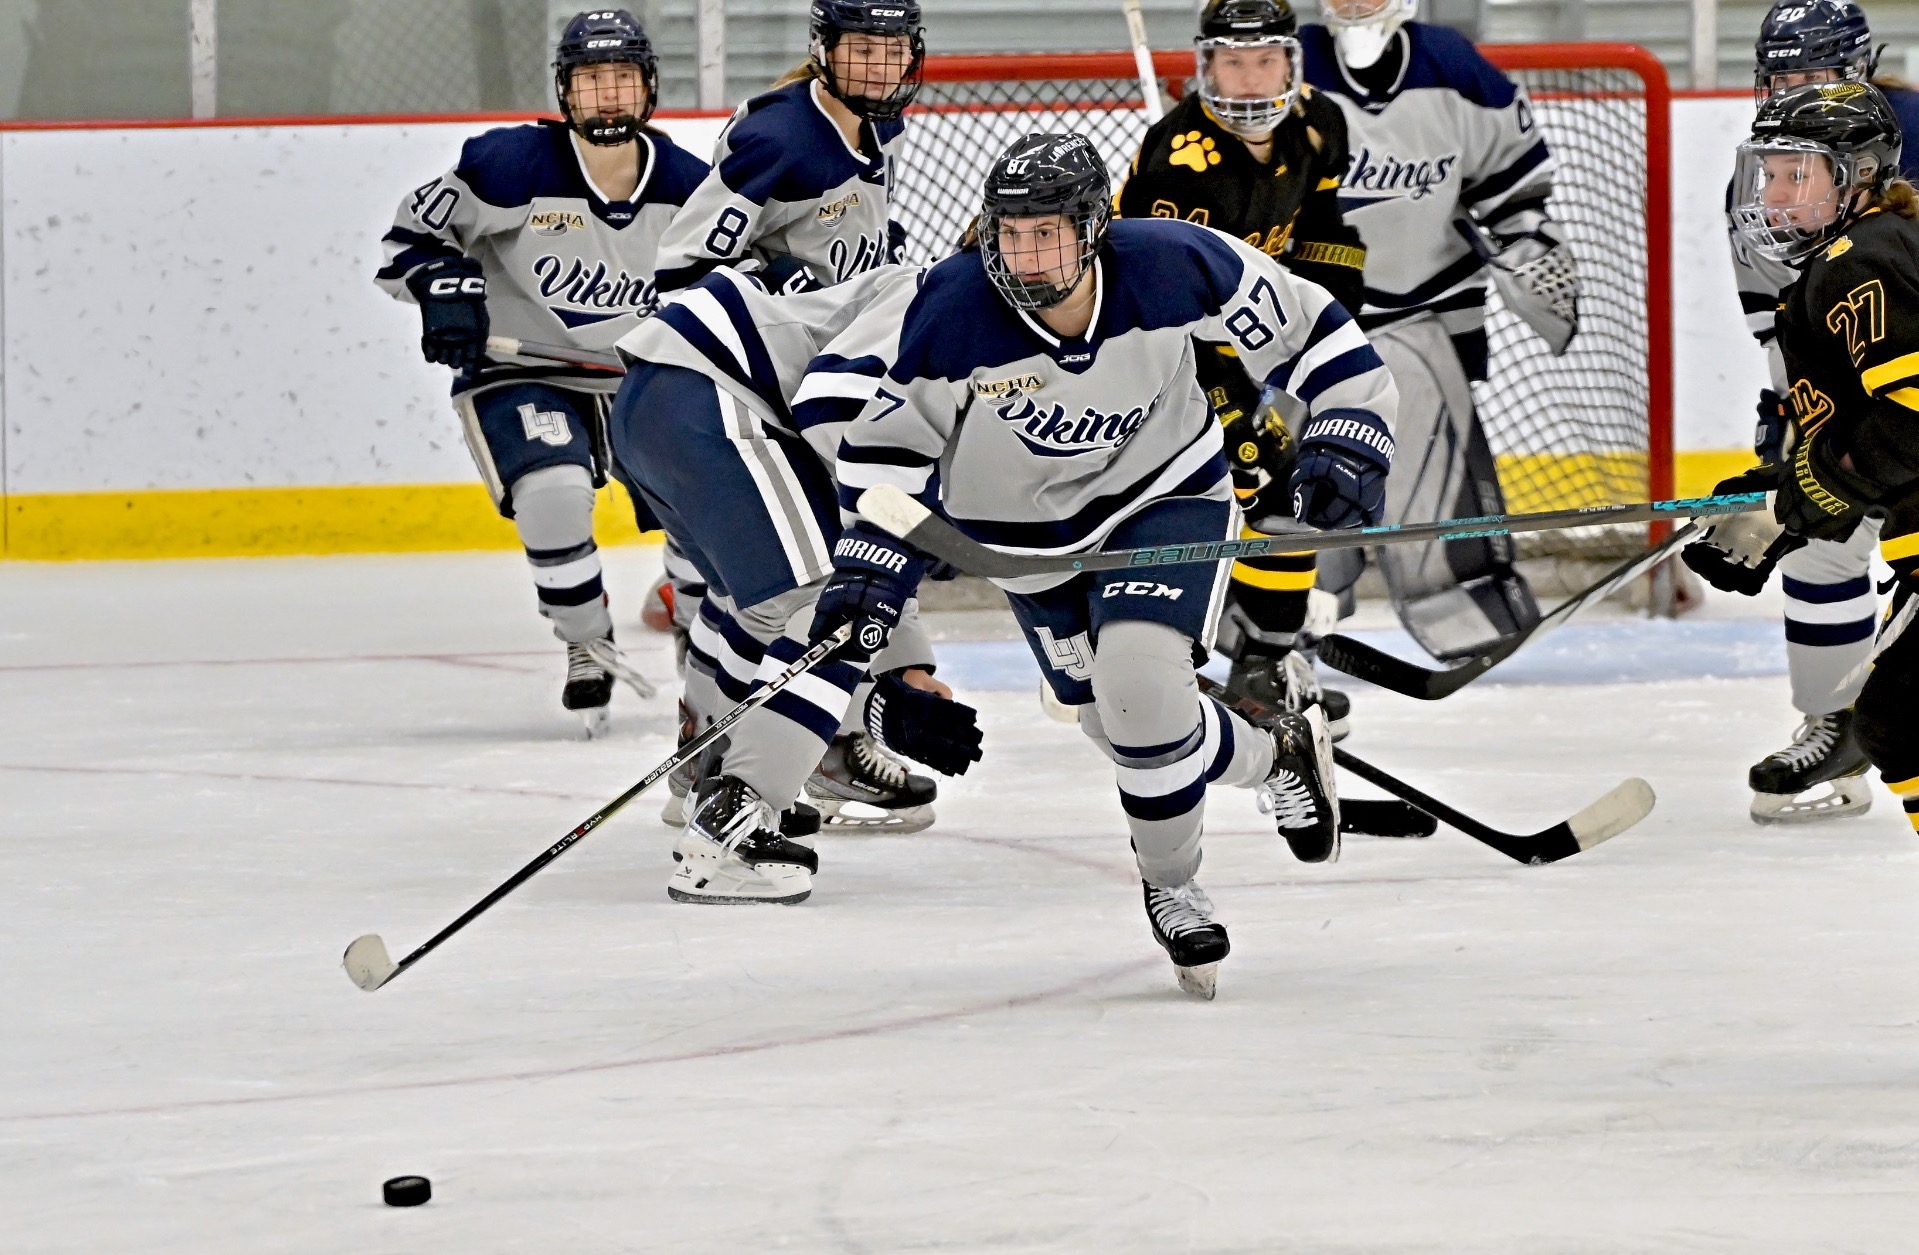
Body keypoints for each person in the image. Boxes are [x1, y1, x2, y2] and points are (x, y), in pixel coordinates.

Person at [813, 132, 1398, 997]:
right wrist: (873, 553)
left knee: (1141, 682)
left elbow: (1317, 334)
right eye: (1012, 234)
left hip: (1163, 497)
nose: (1028, 254)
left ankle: (1171, 883)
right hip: (1025, 544)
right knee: (1118, 726)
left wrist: (1349, 427)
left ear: (1093, 226)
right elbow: (888, 447)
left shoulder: (1174, 264)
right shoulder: (950, 310)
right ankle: (1277, 756)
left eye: (1048, 232)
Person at [607, 262, 984, 903]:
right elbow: (831, 409)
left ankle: (707, 774)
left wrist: (909, 666)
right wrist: (894, 679)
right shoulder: (956, 300)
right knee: (822, 606)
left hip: (662, 400)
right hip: (712, 402)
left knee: (750, 605)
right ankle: (733, 831)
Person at [374, 9, 706, 735]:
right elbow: (407, 243)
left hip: (635, 376)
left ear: (649, 89)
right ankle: (587, 641)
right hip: (522, 369)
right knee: (552, 493)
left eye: (623, 78)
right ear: (565, 93)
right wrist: (441, 286)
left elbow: (727, 287)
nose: (608, 95)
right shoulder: (506, 166)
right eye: (592, 80)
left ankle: (696, 616)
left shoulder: (689, 187)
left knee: (701, 495)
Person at [1299, 0, 1578, 660]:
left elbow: (1514, 188)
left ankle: (1468, 622)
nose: (1351, 5)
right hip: (1303, 329)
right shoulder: (1290, 65)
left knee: (1438, 501)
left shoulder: (1453, 67)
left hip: (1420, 320)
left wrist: (1528, 248)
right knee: (1295, 495)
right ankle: (1274, 633)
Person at [1696, 0, 1919, 823]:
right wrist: (1794, 459)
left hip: (1895, 412)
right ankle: (1834, 720)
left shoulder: (1870, 226)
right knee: (1829, 560)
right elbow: (1795, 336)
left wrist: (1818, 476)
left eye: (1815, 74)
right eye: (1782, 76)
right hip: (1866, 410)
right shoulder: (1773, 184)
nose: (1795, 89)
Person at [1116, 0, 1367, 730]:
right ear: (1204, 65)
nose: (1251, 81)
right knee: (1238, 489)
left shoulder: (1320, 124)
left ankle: (1266, 659)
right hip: (1159, 358)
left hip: (1247, 340)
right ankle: (1158, 656)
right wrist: (1228, 405)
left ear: (1291, 61)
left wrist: (1334, 326)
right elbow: (1163, 309)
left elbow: (1320, 233)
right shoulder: (1180, 166)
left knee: (1286, 493)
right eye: (1232, 61)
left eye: (1264, 61)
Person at [651, 0, 922, 294]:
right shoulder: (776, 140)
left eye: (895, 52)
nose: (882, 70)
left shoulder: (887, 123)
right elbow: (682, 268)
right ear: (824, 48)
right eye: (863, 50)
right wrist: (774, 290)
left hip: (846, 325)